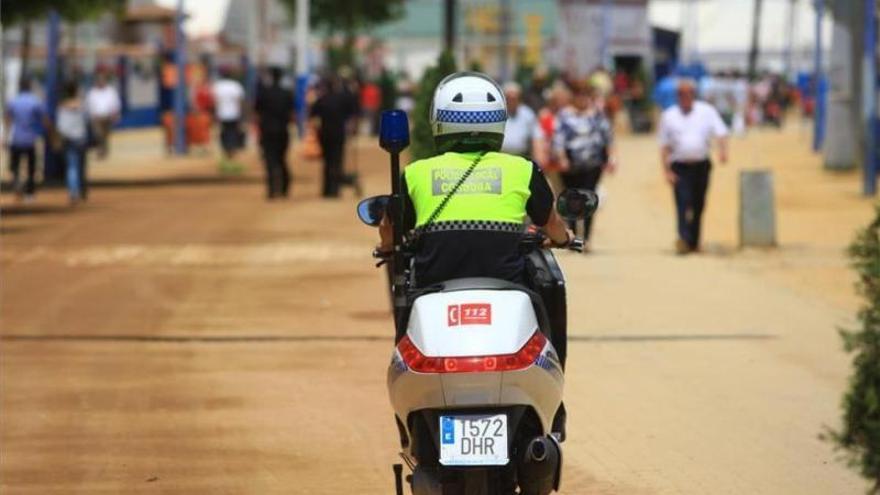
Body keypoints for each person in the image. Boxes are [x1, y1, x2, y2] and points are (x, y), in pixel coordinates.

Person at [376, 71, 573, 288]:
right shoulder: (523, 169)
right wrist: (564, 238)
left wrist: (386, 247)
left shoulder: (416, 173)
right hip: (505, 284)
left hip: (435, 286)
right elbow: (551, 222)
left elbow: (390, 226)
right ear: (499, 118)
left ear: (438, 119)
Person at [658, 79, 729, 254]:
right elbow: (664, 146)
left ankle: (694, 241)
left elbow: (721, 132)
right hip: (679, 166)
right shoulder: (669, 115)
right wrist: (666, 170)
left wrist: (723, 150)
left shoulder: (706, 111)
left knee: (698, 204)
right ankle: (683, 238)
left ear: (694, 94)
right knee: (682, 203)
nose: (685, 97)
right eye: (681, 94)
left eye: (688, 93)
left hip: (701, 166)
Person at [553, 83, 616, 251]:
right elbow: (558, 139)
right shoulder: (564, 116)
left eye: (585, 95)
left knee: (588, 198)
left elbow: (607, 138)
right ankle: (573, 237)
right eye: (579, 95)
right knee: (572, 200)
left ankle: (586, 238)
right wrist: (562, 158)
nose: (582, 99)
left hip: (592, 165)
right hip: (571, 165)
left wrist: (611, 158)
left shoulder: (597, 115)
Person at [309, 76, 357, 198]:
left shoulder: (322, 100)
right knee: (337, 161)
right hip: (339, 134)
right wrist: (352, 129)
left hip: (325, 134)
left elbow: (313, 116)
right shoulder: (342, 99)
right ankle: (335, 189)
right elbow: (352, 114)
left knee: (327, 162)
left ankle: (326, 189)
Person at [254, 67, 295, 199]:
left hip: (267, 130)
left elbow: (257, 112)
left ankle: (272, 190)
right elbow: (292, 113)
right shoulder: (287, 93)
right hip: (282, 130)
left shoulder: (264, 93)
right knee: (282, 159)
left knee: (270, 160)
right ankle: (284, 188)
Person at [5, 78, 47, 201]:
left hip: (16, 139)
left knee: (15, 166)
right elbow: (43, 119)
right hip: (31, 139)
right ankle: (30, 193)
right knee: (31, 167)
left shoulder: (13, 102)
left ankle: (18, 183)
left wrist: (6, 136)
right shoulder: (35, 102)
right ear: (29, 86)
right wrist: (49, 133)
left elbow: (8, 120)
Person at [56, 80, 90, 204]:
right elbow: (87, 119)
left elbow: (59, 125)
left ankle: (73, 192)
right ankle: (82, 189)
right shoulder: (82, 105)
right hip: (80, 138)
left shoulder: (61, 106)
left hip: (68, 139)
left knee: (72, 167)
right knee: (82, 165)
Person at [212, 68, 246, 170]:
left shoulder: (217, 86)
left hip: (221, 114)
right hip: (234, 113)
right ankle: (232, 151)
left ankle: (226, 150)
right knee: (233, 132)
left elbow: (214, 101)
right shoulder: (235, 86)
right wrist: (242, 114)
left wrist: (214, 114)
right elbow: (240, 101)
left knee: (224, 132)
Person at [500, 81, 541, 160]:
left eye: (515, 98)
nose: (512, 101)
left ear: (520, 99)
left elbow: (537, 138)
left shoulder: (528, 114)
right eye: (509, 98)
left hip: (522, 157)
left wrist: (538, 160)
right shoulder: (497, 114)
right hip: (500, 156)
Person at [85, 72, 121, 160]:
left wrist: (115, 114)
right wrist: (91, 115)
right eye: (99, 80)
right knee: (98, 134)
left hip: (108, 117)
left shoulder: (111, 91)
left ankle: (104, 150)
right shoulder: (92, 92)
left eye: (102, 80)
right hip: (96, 118)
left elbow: (115, 103)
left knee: (105, 135)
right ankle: (101, 151)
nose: (101, 81)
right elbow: (88, 105)